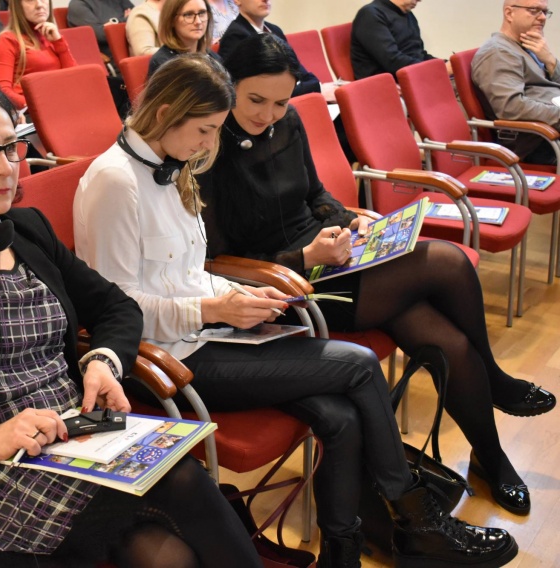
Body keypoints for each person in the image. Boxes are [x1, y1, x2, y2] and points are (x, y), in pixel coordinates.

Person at [73, 52, 520, 568]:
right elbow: (118, 309)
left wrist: (240, 295)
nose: (208, 144)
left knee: (341, 416)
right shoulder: (116, 181)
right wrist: (213, 307)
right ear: (166, 112)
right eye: (205, 130)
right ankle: (417, 520)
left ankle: (342, 552)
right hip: (170, 359)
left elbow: (191, 270)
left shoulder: (171, 164)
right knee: (359, 364)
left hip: (209, 332)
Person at [0, 78, 265, 568]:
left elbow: (117, 307)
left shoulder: (26, 230)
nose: (5, 167)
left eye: (10, 147)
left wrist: (103, 362)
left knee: (186, 482)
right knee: (168, 550)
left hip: (76, 430)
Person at [199, 33, 556, 521]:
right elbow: (218, 258)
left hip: (328, 254)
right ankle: (494, 388)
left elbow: (315, 195)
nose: (269, 114)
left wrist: (350, 221)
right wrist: (305, 256)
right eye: (255, 100)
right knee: (445, 262)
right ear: (229, 86)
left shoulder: (289, 121)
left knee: (445, 338)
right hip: (282, 285)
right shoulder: (208, 144)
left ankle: (490, 458)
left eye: (280, 102)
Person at [472, 0, 560, 165]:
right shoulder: (498, 52)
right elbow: (511, 107)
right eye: (534, 10)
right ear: (509, 13)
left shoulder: (529, 46)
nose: (542, 17)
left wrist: (550, 60)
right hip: (537, 143)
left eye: (544, 11)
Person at [216, 0, 320, 97]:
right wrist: (313, 87)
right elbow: (264, 92)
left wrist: (313, 86)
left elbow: (303, 75)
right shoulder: (236, 37)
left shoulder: (275, 30)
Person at [0, 0, 75, 111]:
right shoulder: (8, 39)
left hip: (62, 104)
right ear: (18, 6)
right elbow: (3, 91)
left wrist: (59, 42)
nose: (39, 5)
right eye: (30, 0)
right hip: (33, 111)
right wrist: (39, 106)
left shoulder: (51, 36)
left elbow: (74, 78)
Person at [351, 0, 451, 80]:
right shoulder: (371, 14)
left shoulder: (408, 14)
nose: (420, 0)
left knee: (458, 75)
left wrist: (443, 64)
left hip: (411, 77)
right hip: (386, 86)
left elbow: (419, 53)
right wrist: (437, 70)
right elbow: (392, 61)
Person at [147, 0, 217, 77]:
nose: (198, 21)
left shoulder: (211, 57)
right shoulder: (163, 63)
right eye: (188, 15)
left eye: (202, 13)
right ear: (171, 20)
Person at [67, 0, 133, 61]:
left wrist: (113, 24)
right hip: (112, 57)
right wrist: (124, 20)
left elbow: (136, 20)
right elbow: (100, 35)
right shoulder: (78, 4)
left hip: (132, 45)